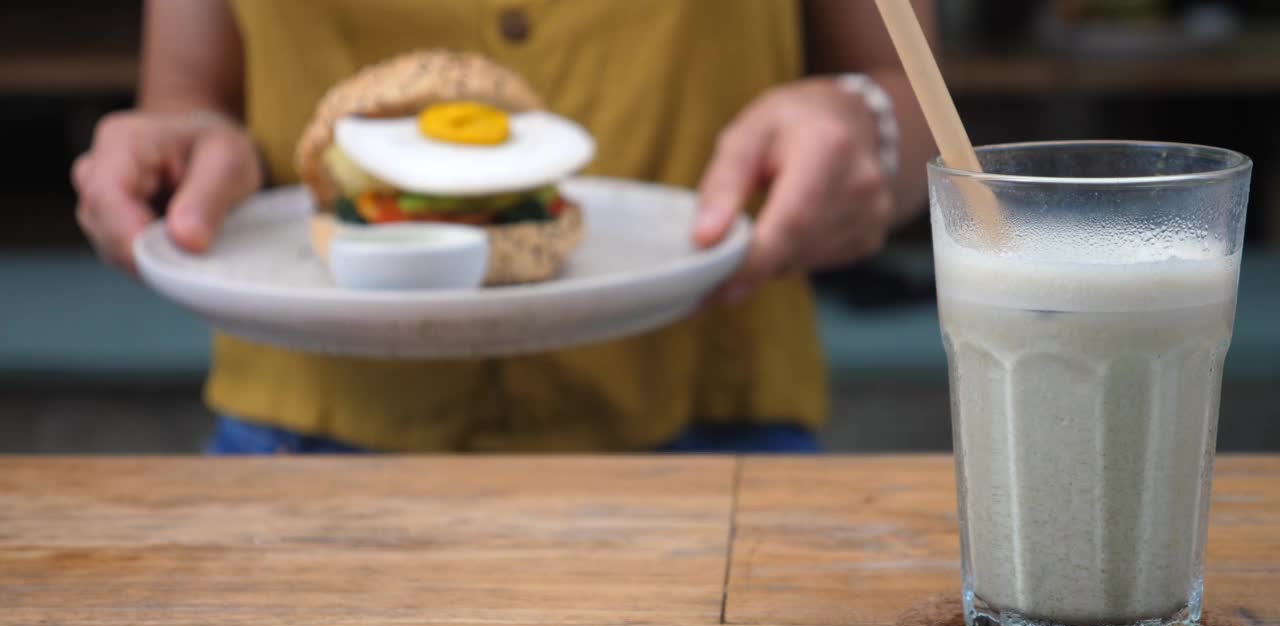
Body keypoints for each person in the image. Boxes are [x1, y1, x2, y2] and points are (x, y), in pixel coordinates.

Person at [72, 0, 937, 454]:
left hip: (716, 427)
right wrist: (179, 145)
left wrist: (866, 124)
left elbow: (917, 102)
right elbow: (187, 92)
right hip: (300, 440)